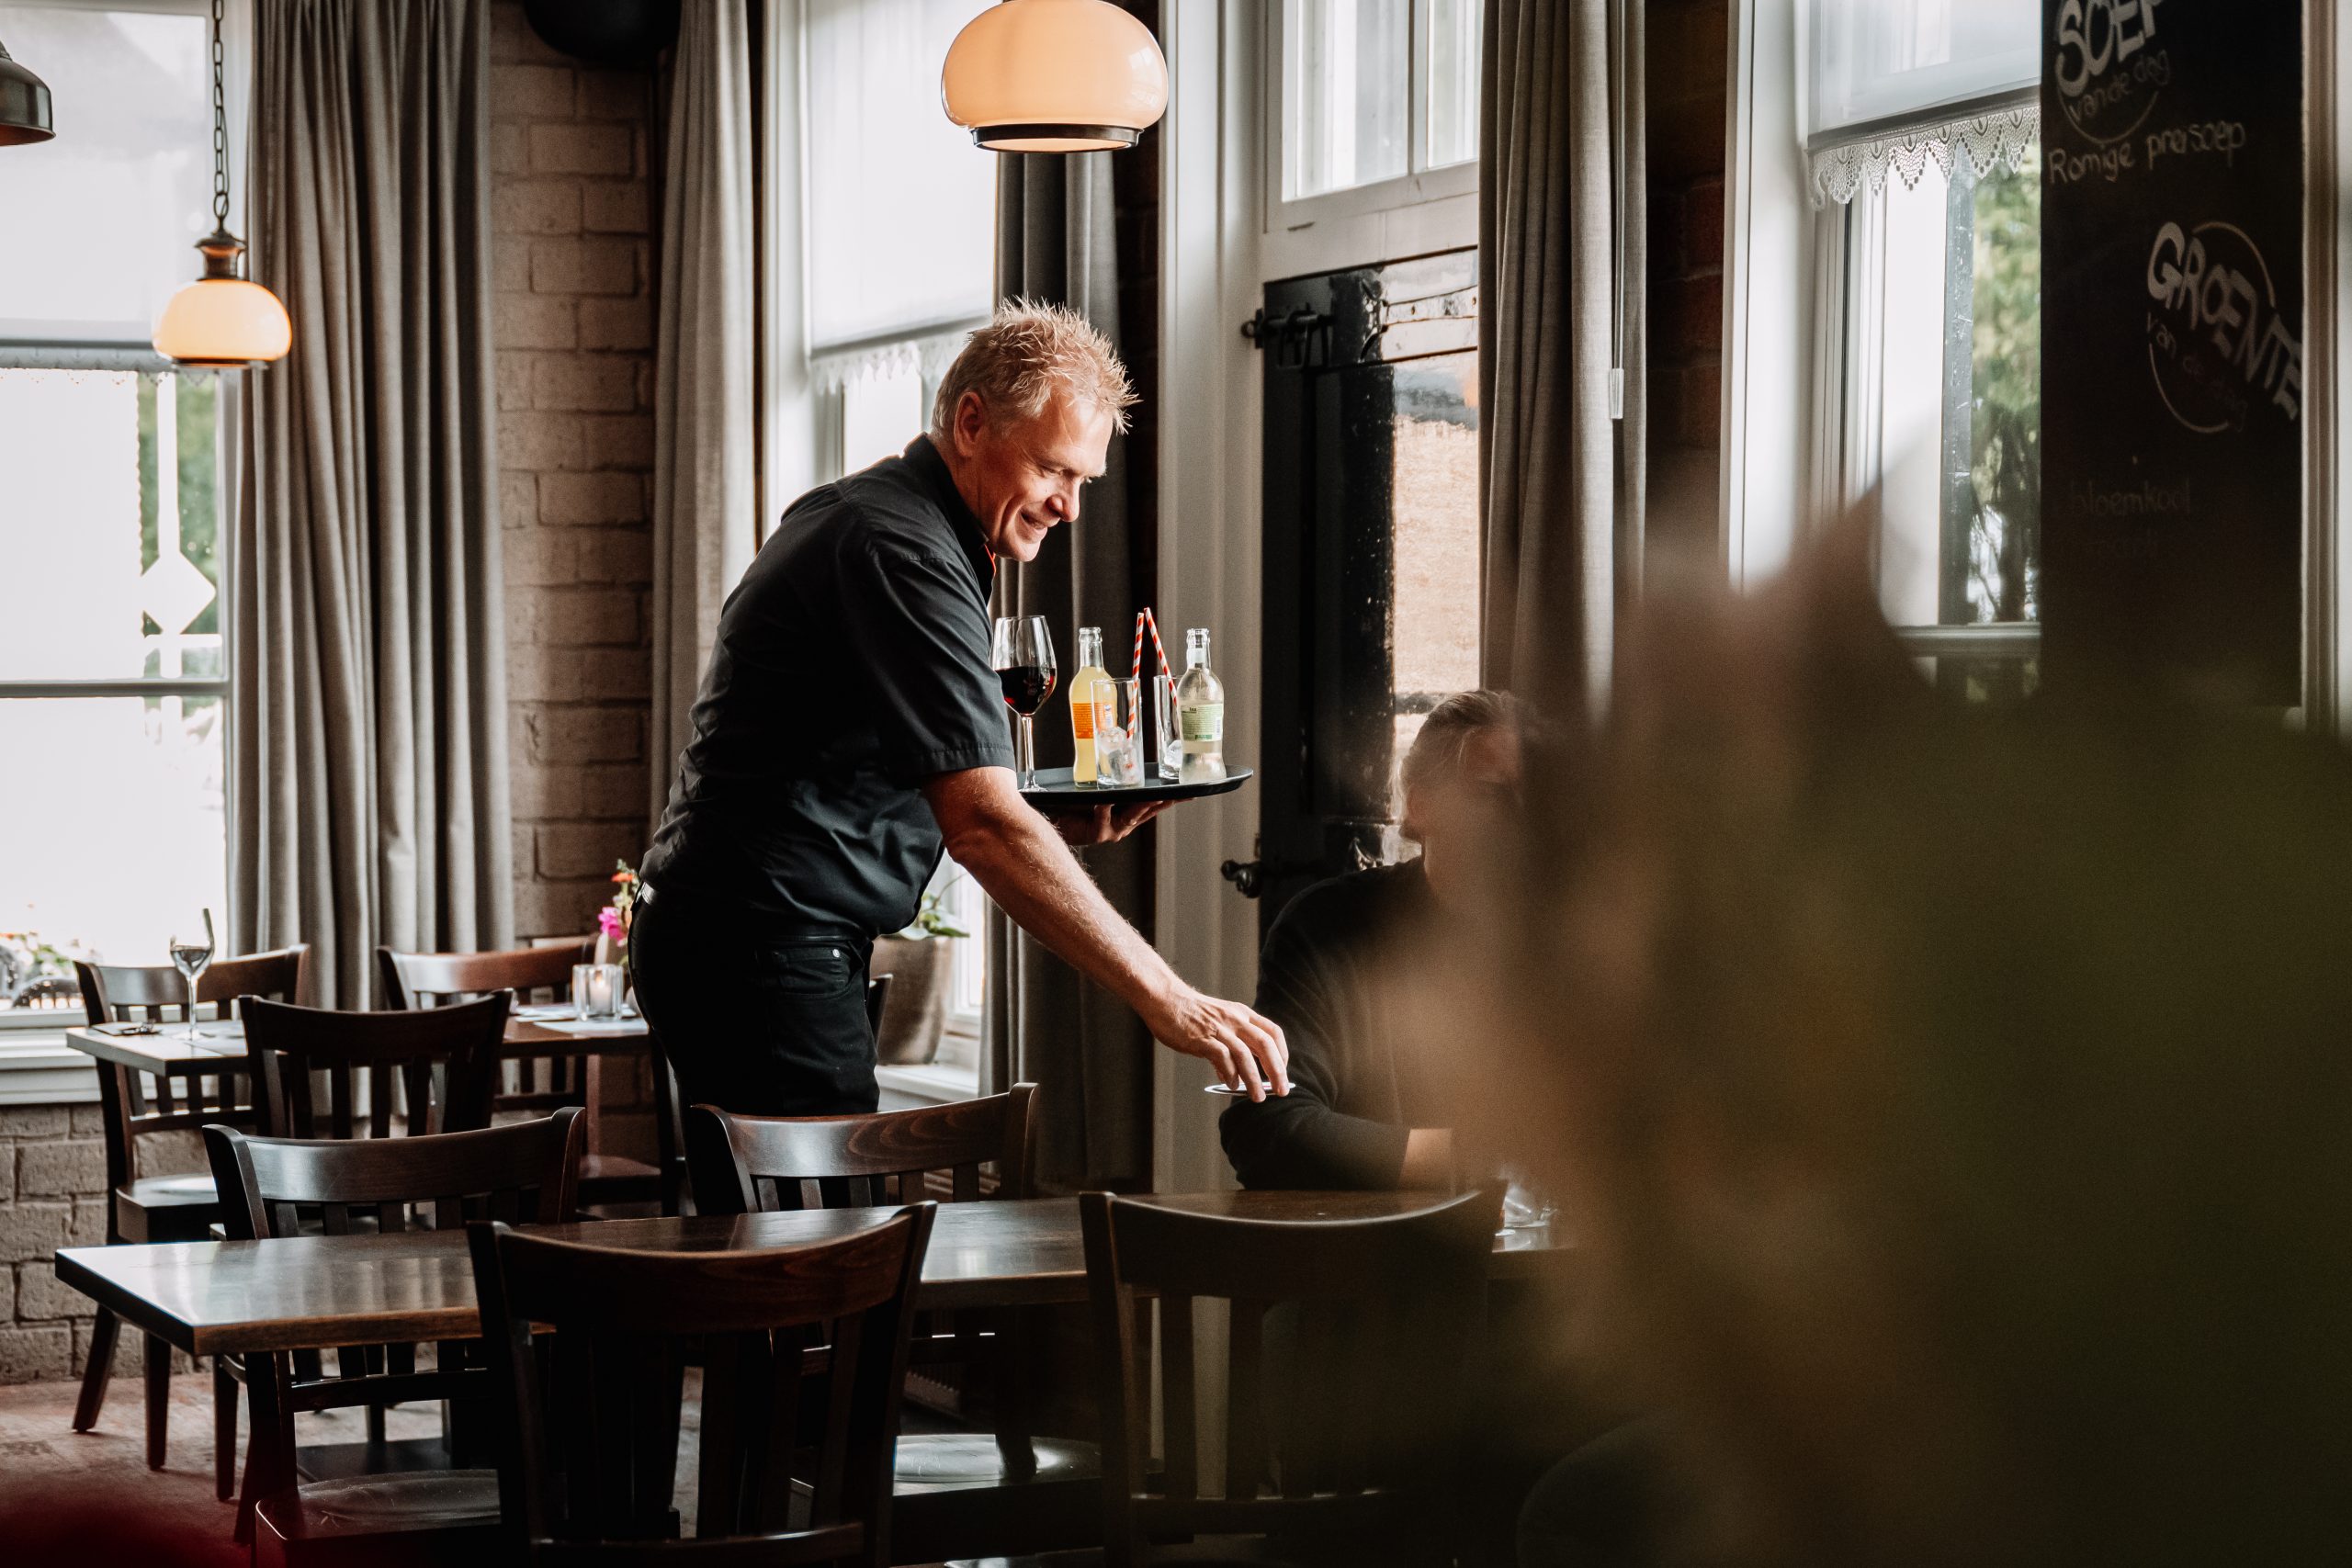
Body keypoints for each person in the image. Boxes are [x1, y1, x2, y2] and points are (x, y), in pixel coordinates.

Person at [632, 301, 1288, 1117]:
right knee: (825, 1240)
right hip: (764, 949)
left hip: (738, 940)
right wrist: (1169, 998)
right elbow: (981, 824)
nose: (1070, 506)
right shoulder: (901, 550)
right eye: (1053, 468)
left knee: (790, 1233)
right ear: (971, 422)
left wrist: (1057, 817)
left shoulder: (880, 516)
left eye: (1084, 480)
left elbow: (864, 773)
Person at [1218, 689, 1520, 1190]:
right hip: (1374, 1257)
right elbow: (1269, 1129)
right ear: (1420, 806)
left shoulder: (1579, 941)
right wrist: (1474, 1159)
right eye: (1492, 794)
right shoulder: (1327, 926)